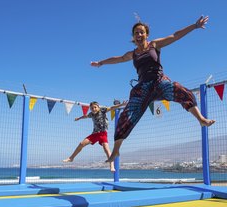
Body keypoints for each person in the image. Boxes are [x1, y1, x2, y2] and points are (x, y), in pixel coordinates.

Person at [91, 15, 215, 163]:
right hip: (143, 88)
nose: (139, 35)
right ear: (133, 37)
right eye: (136, 33)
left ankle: (201, 119)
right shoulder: (132, 54)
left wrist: (194, 26)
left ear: (146, 34)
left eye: (141, 32)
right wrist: (101, 63)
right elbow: (118, 59)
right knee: (126, 116)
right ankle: (116, 151)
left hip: (159, 82)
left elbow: (174, 36)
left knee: (182, 91)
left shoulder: (154, 45)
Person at [63, 101, 127, 172]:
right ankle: (71, 158)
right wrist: (79, 118)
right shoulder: (91, 114)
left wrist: (121, 104)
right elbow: (86, 116)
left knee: (106, 149)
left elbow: (112, 108)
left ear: (98, 107)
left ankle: (111, 166)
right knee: (81, 144)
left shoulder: (103, 110)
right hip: (95, 133)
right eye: (92, 108)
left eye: (95, 107)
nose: (94, 109)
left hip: (103, 133)